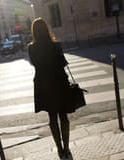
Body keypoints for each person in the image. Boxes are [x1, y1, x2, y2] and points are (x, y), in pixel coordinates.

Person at [28, 18, 73, 159]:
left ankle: (59, 148)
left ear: (34, 32)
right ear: (47, 29)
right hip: (59, 83)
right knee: (63, 116)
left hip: (44, 85)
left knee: (52, 118)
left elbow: (35, 64)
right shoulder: (56, 45)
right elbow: (63, 63)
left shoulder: (31, 48)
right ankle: (66, 147)